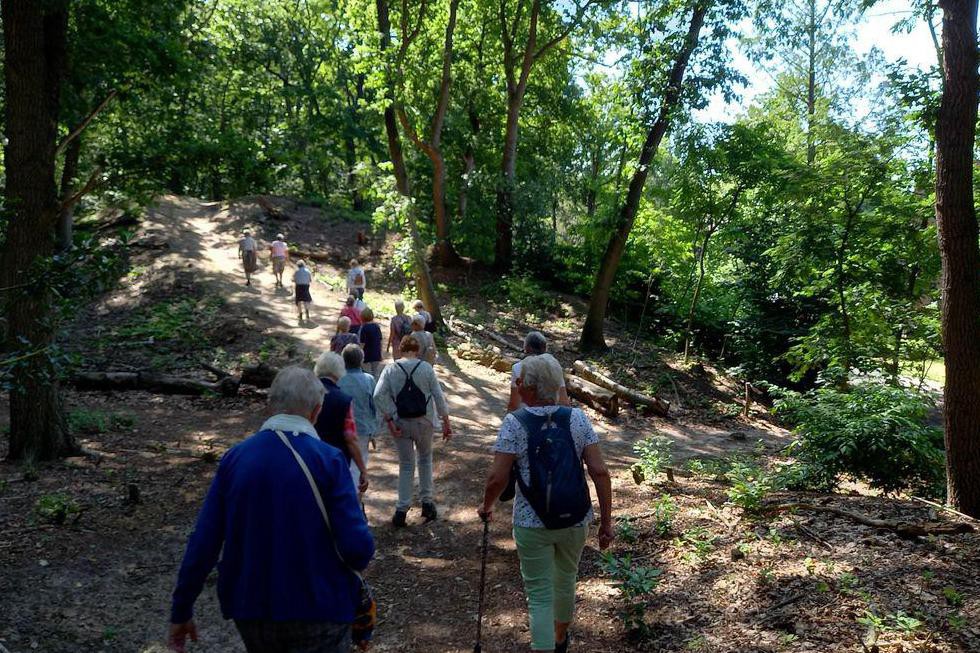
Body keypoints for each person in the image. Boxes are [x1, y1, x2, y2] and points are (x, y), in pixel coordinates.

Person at [168, 366, 374, 653]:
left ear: (270, 405)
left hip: (252, 609)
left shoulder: (236, 459)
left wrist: (182, 608)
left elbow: (204, 540)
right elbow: (357, 550)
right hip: (319, 606)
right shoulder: (329, 461)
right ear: (316, 411)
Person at [478, 354, 614, 653]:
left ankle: (545, 647)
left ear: (527, 388)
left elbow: (496, 479)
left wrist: (487, 506)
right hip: (576, 519)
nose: (517, 385)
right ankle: (560, 639)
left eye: (520, 381)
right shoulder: (577, 418)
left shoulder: (514, 423)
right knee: (566, 579)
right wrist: (606, 522)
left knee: (539, 594)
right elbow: (600, 472)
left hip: (531, 522)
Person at [374, 335, 452, 527]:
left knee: (406, 465)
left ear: (400, 350)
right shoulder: (426, 368)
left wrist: (391, 416)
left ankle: (401, 509)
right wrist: (446, 420)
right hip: (424, 421)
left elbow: (378, 395)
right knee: (425, 460)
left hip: (401, 422)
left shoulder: (391, 369)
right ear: (417, 350)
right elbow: (438, 395)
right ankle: (427, 503)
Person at [313, 352, 369, 494]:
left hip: (309, 459)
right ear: (339, 371)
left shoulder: (306, 395)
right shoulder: (344, 400)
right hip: (336, 462)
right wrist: (362, 470)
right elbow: (350, 438)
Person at [337, 344, 379, 490]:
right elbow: (374, 406)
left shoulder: (338, 380)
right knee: (358, 466)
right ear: (361, 360)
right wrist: (373, 431)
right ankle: (355, 502)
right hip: (362, 429)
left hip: (340, 429)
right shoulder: (369, 380)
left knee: (341, 464)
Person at [507, 331, 570, 411]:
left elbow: (514, 403)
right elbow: (564, 402)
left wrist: (509, 419)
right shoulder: (554, 367)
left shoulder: (518, 367)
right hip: (550, 416)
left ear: (526, 348)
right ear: (544, 348)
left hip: (525, 417)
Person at [358, 307, 384, 379]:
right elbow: (380, 341)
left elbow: (362, 343)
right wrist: (380, 353)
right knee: (375, 373)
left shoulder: (364, 328)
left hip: (367, 354)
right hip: (376, 353)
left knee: (367, 374)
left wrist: (359, 355)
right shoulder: (377, 326)